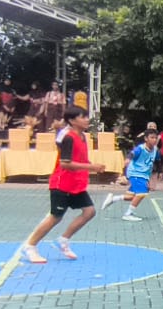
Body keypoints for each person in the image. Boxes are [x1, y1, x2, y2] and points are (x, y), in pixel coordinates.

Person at [21, 106, 106, 263]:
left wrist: (93, 165)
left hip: (77, 184)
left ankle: (63, 239)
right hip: (62, 183)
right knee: (56, 216)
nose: (87, 119)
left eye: (87, 116)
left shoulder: (83, 136)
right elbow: (65, 163)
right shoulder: (68, 137)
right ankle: (30, 246)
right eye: (83, 117)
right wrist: (91, 167)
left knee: (89, 212)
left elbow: (80, 158)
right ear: (72, 120)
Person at [104, 127, 158, 222]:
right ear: (146, 138)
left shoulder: (155, 150)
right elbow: (130, 156)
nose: (154, 140)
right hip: (136, 173)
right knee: (141, 194)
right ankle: (128, 214)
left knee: (131, 197)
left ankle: (113, 199)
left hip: (144, 175)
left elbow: (150, 165)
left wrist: (148, 180)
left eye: (155, 138)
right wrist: (124, 174)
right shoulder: (140, 149)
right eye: (152, 137)